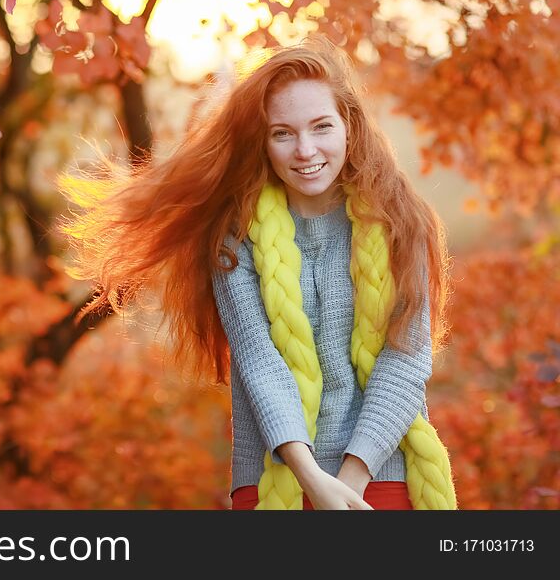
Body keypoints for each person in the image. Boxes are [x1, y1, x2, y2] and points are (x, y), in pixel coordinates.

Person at [56, 34, 457, 510]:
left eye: (321, 127)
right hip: (276, 478)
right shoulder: (235, 237)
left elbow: (407, 361)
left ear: (349, 126)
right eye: (282, 133)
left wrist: (348, 480)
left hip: (385, 476)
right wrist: (312, 478)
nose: (305, 149)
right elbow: (259, 363)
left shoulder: (401, 224)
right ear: (261, 142)